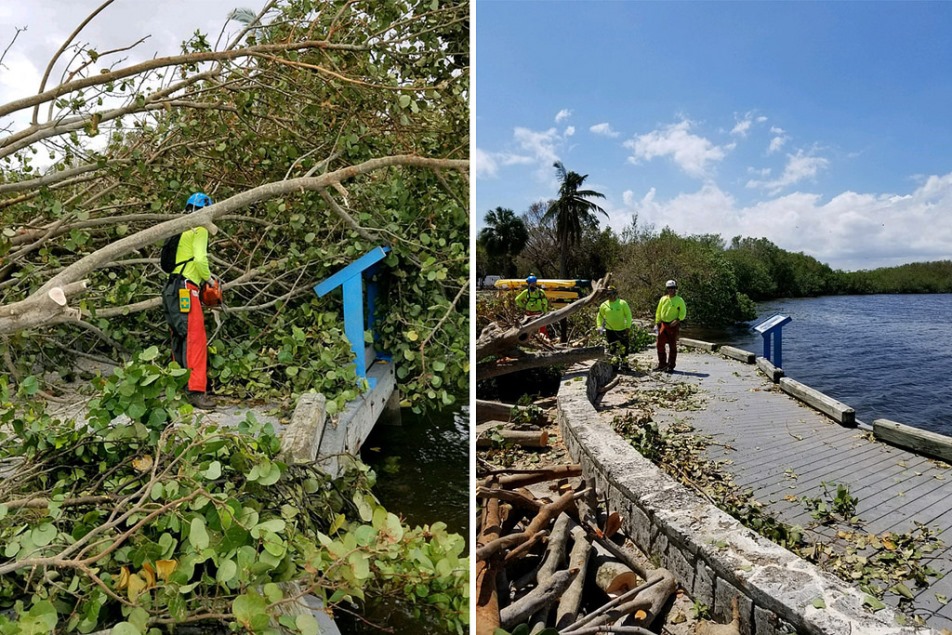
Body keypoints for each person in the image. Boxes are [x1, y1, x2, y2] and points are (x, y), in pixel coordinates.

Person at [162, 192, 218, 409]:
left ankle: (178, 385)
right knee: (194, 338)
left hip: (171, 289)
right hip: (187, 288)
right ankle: (195, 391)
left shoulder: (180, 228)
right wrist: (209, 279)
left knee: (178, 336)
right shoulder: (200, 228)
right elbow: (200, 259)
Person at [654, 279, 686, 373]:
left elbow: (683, 312)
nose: (671, 290)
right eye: (669, 288)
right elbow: (658, 311)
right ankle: (662, 364)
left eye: (672, 288)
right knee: (660, 344)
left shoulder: (679, 300)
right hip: (663, 324)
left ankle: (671, 365)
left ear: (675, 289)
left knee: (672, 345)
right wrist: (657, 322)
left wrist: (677, 320)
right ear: (667, 289)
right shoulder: (663, 299)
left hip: (673, 325)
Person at [597, 286, 632, 360]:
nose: (609, 296)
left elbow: (628, 315)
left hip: (622, 330)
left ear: (615, 294)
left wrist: (628, 327)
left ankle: (624, 365)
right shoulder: (604, 305)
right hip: (610, 331)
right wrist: (599, 326)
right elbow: (599, 316)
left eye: (611, 294)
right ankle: (614, 365)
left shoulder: (622, 303)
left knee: (624, 348)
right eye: (607, 294)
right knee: (612, 348)